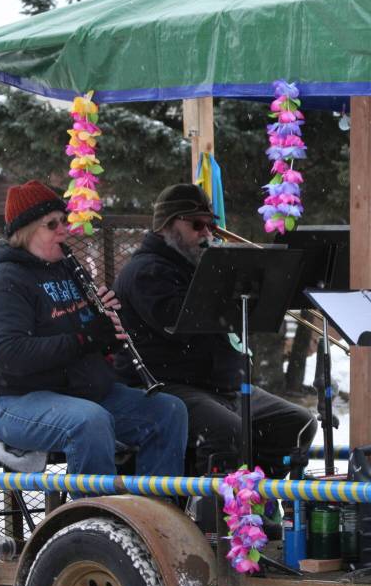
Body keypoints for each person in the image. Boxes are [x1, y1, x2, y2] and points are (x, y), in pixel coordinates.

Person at [0, 181, 188, 479]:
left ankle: (154, 513)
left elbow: (90, 339)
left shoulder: (67, 270)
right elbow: (10, 353)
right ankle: (94, 517)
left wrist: (109, 333)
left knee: (168, 412)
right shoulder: (6, 283)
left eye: (64, 221)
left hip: (81, 390)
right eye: (52, 225)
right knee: (89, 421)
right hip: (19, 400)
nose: (63, 230)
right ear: (25, 233)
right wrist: (85, 337)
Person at [112, 184, 317, 478]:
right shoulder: (147, 271)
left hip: (218, 386)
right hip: (167, 385)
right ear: (167, 226)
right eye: (197, 225)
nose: (206, 233)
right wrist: (224, 280)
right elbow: (180, 327)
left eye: (211, 225)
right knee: (227, 430)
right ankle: (214, 518)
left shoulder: (194, 264)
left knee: (297, 423)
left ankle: (257, 503)